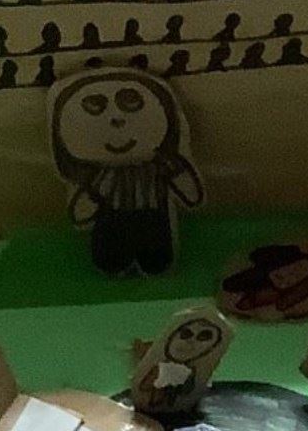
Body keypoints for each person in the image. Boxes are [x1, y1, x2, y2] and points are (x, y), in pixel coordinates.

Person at [50, 70, 203, 278]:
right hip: (113, 224)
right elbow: (81, 212)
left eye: (130, 102)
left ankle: (147, 261)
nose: (116, 120)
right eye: (95, 106)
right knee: (114, 259)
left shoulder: (161, 166)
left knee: (154, 260)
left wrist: (176, 170)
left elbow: (191, 195)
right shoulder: (101, 176)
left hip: (152, 222)